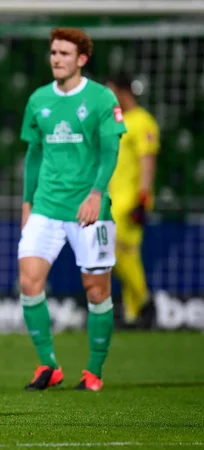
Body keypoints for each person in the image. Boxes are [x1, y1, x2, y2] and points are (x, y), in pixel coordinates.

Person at [19, 27, 126, 392]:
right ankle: (48, 365)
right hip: (46, 206)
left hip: (90, 210)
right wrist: (27, 202)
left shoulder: (100, 98)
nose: (57, 59)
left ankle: (94, 370)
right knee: (29, 281)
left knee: (96, 290)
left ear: (81, 59)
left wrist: (97, 194)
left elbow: (111, 151)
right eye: (53, 52)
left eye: (64, 53)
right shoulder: (38, 100)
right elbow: (33, 154)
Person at [106, 72, 160, 327]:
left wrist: (142, 199)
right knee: (129, 255)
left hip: (130, 199)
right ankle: (134, 315)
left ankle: (145, 300)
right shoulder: (119, 121)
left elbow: (147, 161)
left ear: (123, 91)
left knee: (110, 248)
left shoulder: (142, 122)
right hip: (114, 198)